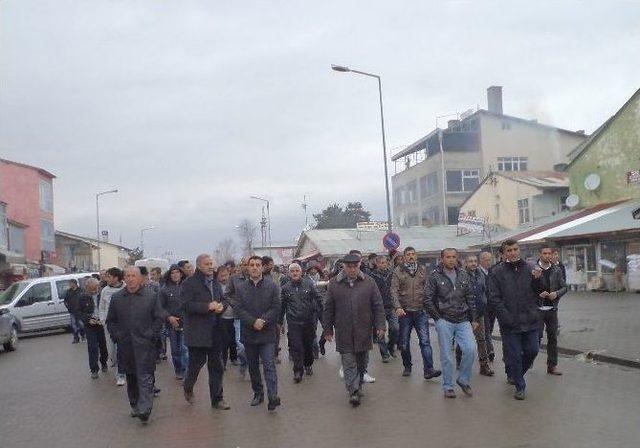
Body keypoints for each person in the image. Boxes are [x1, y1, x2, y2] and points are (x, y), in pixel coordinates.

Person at [106, 266, 177, 423]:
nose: (130, 279)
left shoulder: (151, 296)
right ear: (124, 278)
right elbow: (110, 321)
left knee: (145, 376)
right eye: (128, 276)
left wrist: (152, 334)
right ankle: (135, 404)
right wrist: (117, 336)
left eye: (133, 276)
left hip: (145, 344)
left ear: (140, 278)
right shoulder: (117, 298)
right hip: (126, 345)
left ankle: (145, 408)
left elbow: (159, 318)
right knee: (131, 376)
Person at [323, 253, 386, 407]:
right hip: (343, 329)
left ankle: (358, 385)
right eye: (349, 267)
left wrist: (380, 325)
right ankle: (353, 391)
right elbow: (328, 308)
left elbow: (378, 305)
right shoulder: (334, 284)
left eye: (355, 267)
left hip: (364, 328)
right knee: (348, 361)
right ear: (343, 267)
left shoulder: (369, 282)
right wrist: (327, 330)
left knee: (362, 361)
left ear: (359, 266)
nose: (352, 270)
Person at [488, 240, 543, 400]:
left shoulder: (531, 268)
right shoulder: (497, 272)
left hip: (530, 319)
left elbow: (540, 291)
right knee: (514, 356)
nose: (513, 252)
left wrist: (538, 279)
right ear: (504, 253)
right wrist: (506, 317)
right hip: (510, 323)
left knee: (532, 350)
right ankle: (520, 386)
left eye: (515, 249)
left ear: (519, 250)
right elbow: (494, 298)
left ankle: (517, 373)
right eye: (509, 250)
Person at [424, 248, 477, 398]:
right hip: (444, 320)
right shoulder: (434, 276)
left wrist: (473, 319)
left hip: (463, 319)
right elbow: (427, 299)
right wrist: (437, 318)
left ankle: (463, 379)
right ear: (442, 259)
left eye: (454, 257)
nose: (451, 260)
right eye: (448, 257)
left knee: (471, 349)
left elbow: (470, 297)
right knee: (447, 355)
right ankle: (448, 386)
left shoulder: (463, 274)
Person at [181, 254, 230, 410]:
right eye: (207, 264)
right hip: (198, 332)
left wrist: (222, 306)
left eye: (211, 263)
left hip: (215, 330)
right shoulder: (189, 283)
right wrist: (207, 307)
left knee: (217, 366)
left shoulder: (215, 282)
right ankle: (188, 386)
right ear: (199, 266)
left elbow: (223, 299)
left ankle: (217, 399)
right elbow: (186, 305)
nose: (210, 266)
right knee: (196, 365)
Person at [234, 256, 281, 411]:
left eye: (258, 265)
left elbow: (275, 307)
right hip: (249, 333)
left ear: (262, 267)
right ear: (247, 268)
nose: (255, 267)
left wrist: (263, 320)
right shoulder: (241, 288)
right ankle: (258, 393)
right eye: (252, 265)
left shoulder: (272, 286)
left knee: (269, 365)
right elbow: (239, 309)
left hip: (267, 333)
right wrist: (253, 321)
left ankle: (273, 396)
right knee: (253, 366)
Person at [391, 247, 441, 380]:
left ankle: (428, 369)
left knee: (425, 341)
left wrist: (430, 307)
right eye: (408, 254)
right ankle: (407, 366)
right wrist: (397, 307)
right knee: (404, 343)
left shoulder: (422, 269)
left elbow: (428, 288)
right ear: (404, 257)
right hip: (405, 312)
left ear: (416, 256)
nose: (411, 256)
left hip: (420, 311)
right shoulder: (398, 270)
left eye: (413, 254)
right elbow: (393, 291)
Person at [280, 263, 323, 383]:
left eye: (296, 271)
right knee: (296, 346)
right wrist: (280, 324)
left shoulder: (309, 284)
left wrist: (324, 315)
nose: (294, 273)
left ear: (301, 272)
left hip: (308, 321)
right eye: (292, 271)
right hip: (293, 323)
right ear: (289, 273)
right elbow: (282, 307)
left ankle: (308, 364)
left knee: (308, 346)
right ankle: (298, 371)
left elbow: (319, 299)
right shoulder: (285, 288)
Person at [455, 255, 494, 376]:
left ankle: (484, 366)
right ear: (465, 263)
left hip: (479, 312)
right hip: (465, 314)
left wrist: (485, 302)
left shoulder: (481, 274)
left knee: (481, 339)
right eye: (470, 261)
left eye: (475, 261)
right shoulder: (460, 275)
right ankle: (460, 360)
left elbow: (484, 290)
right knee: (463, 339)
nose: (473, 263)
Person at [536, 246, 567, 376]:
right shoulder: (533, 269)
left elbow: (564, 287)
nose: (547, 256)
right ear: (540, 254)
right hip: (537, 310)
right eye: (545, 253)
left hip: (552, 310)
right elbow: (526, 288)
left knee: (553, 338)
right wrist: (538, 294)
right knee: (536, 338)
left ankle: (552, 366)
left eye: (549, 253)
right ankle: (528, 360)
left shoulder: (556, 269)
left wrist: (557, 294)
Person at [159, 265, 188, 379]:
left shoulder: (187, 287)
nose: (175, 275)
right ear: (169, 275)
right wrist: (169, 317)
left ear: (181, 274)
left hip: (186, 323)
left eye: (177, 272)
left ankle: (186, 372)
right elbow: (160, 308)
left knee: (184, 349)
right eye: (172, 273)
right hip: (171, 325)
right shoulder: (164, 289)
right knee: (175, 350)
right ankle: (178, 369)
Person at [99, 267, 127, 386]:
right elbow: (102, 307)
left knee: (123, 349)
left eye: (108, 276)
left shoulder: (126, 288)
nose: (106, 279)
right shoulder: (105, 290)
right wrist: (103, 319)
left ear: (116, 278)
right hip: (111, 324)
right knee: (113, 352)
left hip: (126, 323)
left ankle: (121, 374)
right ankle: (118, 366)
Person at [77, 278, 109, 378]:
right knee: (92, 347)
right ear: (87, 288)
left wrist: (103, 318)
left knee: (103, 346)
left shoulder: (101, 295)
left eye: (96, 288)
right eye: (92, 289)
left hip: (100, 323)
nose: (95, 291)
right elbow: (79, 312)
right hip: (89, 325)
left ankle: (104, 363)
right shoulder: (82, 297)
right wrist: (87, 319)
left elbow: (106, 307)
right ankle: (94, 369)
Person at [369, 255, 399, 362]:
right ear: (377, 264)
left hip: (391, 306)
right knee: (380, 331)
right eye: (381, 262)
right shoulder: (372, 276)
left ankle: (391, 346)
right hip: (378, 307)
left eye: (385, 262)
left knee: (395, 328)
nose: (384, 264)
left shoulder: (392, 275)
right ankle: (384, 354)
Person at [225, 259, 249, 378]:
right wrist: (235, 304)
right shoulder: (234, 278)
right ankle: (243, 363)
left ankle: (251, 369)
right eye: (244, 265)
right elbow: (227, 294)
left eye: (248, 264)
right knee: (241, 346)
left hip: (255, 317)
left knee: (253, 345)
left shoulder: (258, 278)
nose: (246, 267)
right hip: (239, 316)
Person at [217, 266, 239, 369]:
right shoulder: (216, 287)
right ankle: (223, 361)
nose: (224, 277)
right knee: (223, 341)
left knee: (233, 339)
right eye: (221, 276)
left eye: (226, 275)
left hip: (234, 316)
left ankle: (234, 358)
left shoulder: (234, 285)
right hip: (222, 317)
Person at [63, 279, 85, 343]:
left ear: (74, 283)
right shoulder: (68, 292)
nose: (69, 285)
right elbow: (65, 301)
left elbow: (84, 299)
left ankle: (83, 335)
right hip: (72, 311)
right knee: (74, 326)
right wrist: (68, 307)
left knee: (82, 325)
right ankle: (76, 338)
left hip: (80, 311)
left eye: (70, 283)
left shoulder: (81, 291)